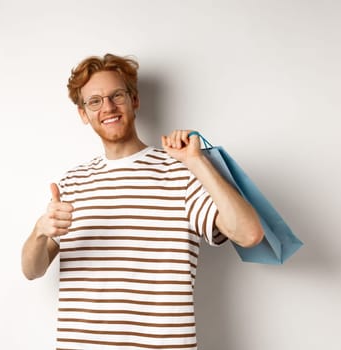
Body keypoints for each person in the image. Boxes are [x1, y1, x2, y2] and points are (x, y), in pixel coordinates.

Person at [20, 53, 263, 349]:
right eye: (94, 101)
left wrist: (196, 162)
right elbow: (32, 270)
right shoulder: (73, 183)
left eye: (116, 95)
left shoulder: (180, 173)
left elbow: (250, 234)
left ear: (134, 100)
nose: (107, 107)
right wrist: (40, 230)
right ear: (83, 114)